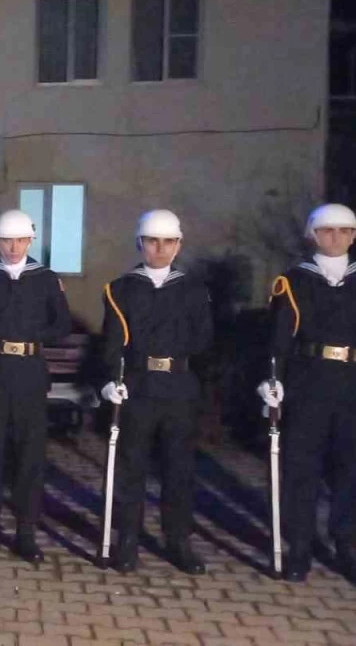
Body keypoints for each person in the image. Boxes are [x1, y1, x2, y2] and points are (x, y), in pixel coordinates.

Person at [0, 209, 71, 562]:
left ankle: (26, 532)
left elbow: (62, 324)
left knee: (29, 456)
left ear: (31, 241)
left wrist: (31, 334)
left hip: (30, 374)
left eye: (20, 240)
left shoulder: (45, 279)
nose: (14, 247)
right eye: (6, 240)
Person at [99, 210, 211, 575]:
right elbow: (112, 342)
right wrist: (111, 378)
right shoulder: (121, 289)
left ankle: (178, 540)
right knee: (131, 468)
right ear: (140, 243)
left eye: (168, 242)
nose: (160, 249)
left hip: (178, 385)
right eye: (152, 241)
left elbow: (202, 339)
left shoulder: (193, 290)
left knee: (179, 469)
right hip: (139, 385)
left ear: (178, 245)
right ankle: (128, 540)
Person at [258, 203, 356, 584]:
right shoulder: (294, 281)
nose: (335, 238)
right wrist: (273, 379)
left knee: (353, 467)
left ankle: (348, 545)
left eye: (343, 231)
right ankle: (300, 547)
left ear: (354, 236)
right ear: (313, 236)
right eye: (326, 231)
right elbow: (279, 338)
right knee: (301, 467)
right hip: (309, 380)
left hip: (355, 382)